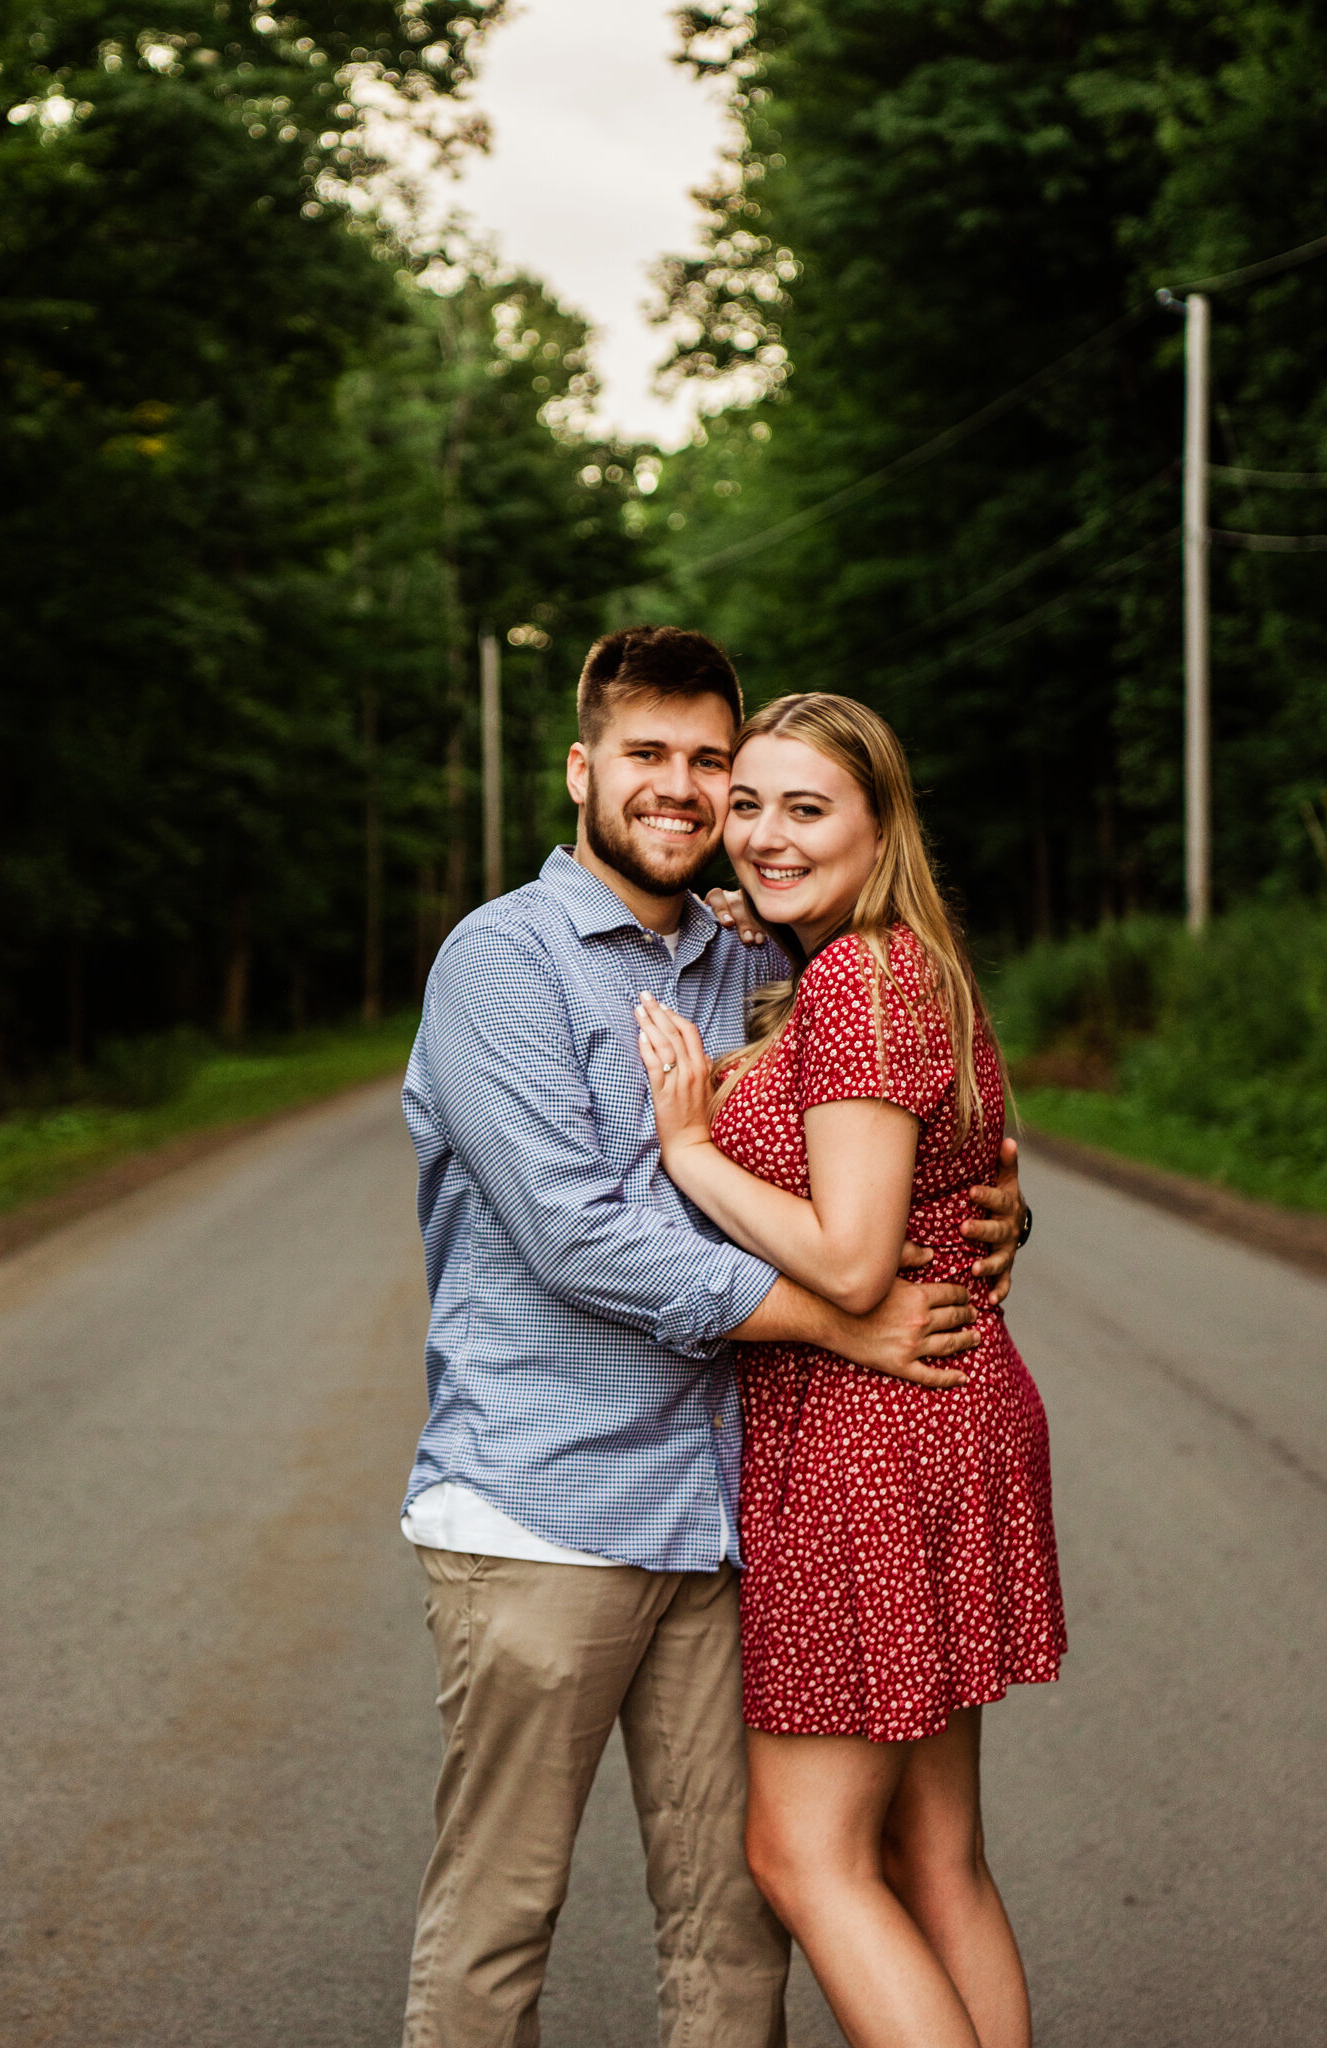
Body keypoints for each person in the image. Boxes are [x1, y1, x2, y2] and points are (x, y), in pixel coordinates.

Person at [398, 628, 1029, 2048]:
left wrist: (996, 1204)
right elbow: (578, 1238)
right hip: (544, 1514)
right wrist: (848, 1323)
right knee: (500, 1919)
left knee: (739, 1934)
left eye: (712, 765)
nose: (687, 794)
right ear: (581, 770)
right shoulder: (499, 961)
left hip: (725, 1514)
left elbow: (878, 1140)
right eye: (650, 759)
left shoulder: (753, 952)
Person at [634, 691, 1066, 2048]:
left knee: (806, 1856)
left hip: (868, 1445)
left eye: (804, 807)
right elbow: (950, 1187)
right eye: (747, 803)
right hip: (933, 1417)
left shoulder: (859, 979)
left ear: (881, 827)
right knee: (933, 1860)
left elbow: (857, 1255)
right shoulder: (889, 964)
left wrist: (694, 1153)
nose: (761, 833)